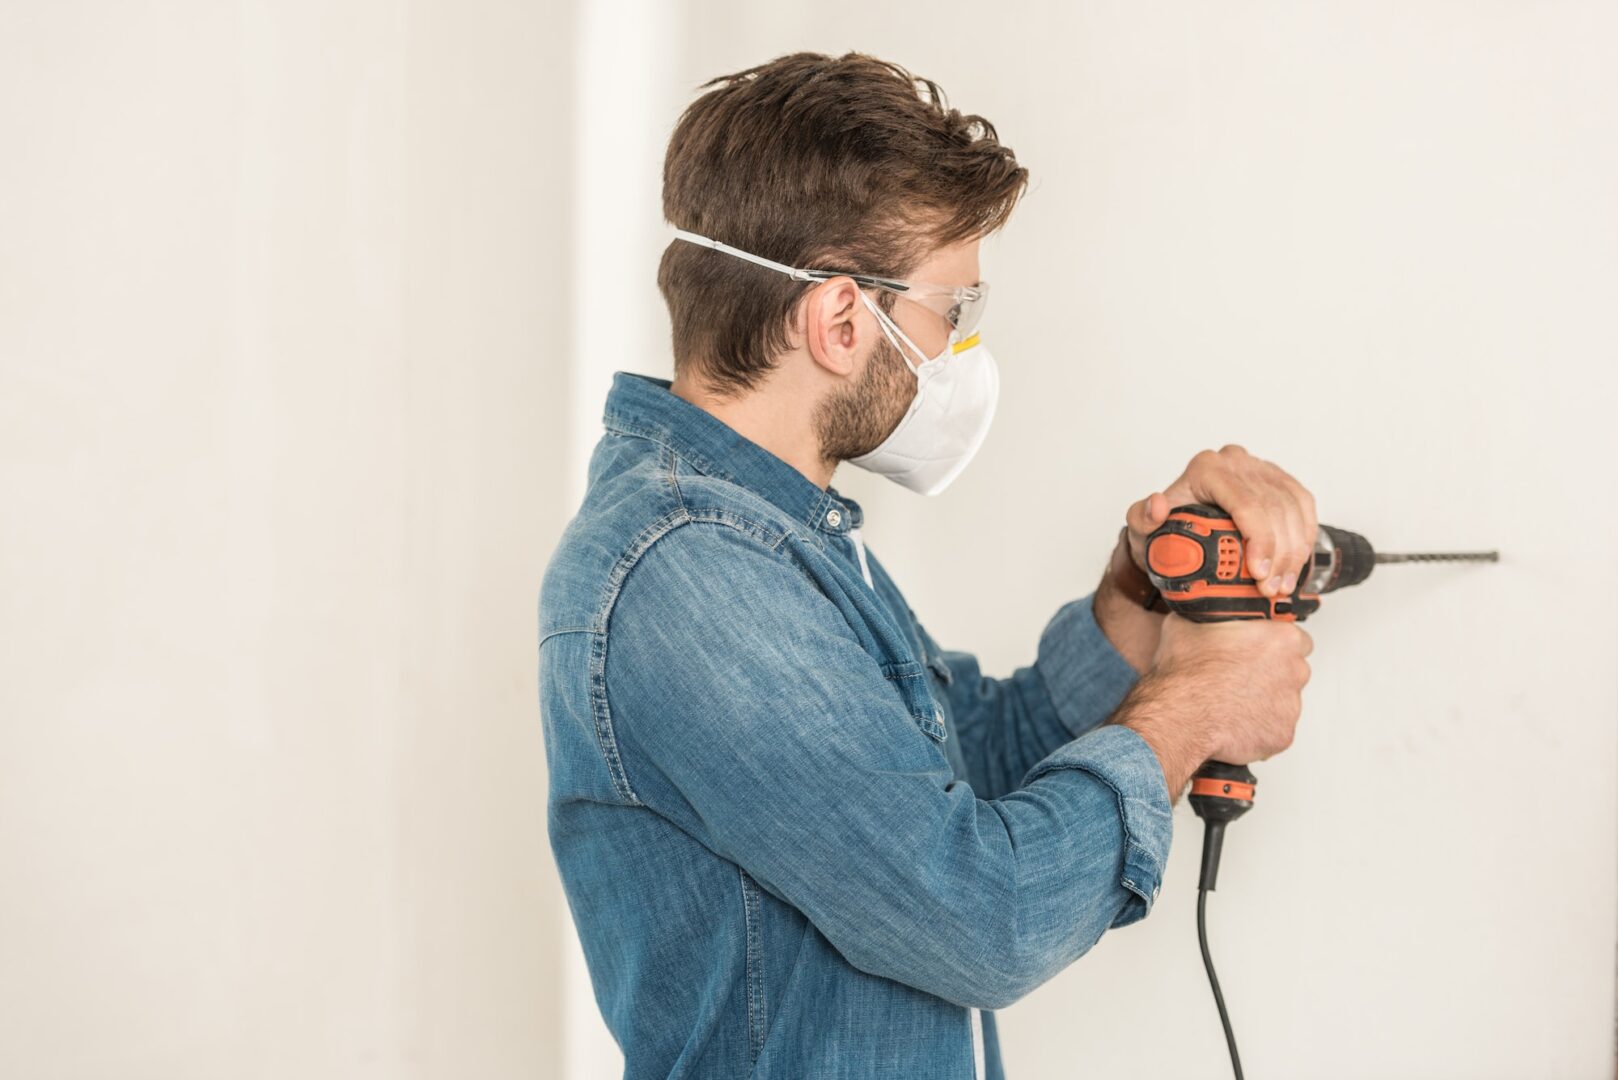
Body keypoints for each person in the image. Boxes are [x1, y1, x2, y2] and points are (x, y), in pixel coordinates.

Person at [539, 52, 1315, 1080]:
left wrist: (1139, 592)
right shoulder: (692, 573)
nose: (962, 355)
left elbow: (955, 768)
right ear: (842, 321)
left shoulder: (775, 534)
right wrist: (1189, 712)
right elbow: (981, 913)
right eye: (953, 317)